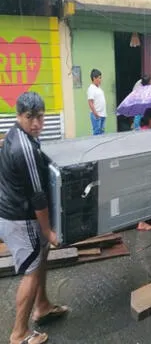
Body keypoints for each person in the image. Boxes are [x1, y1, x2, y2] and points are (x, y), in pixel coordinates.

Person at [0, 92, 69, 344]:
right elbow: (38, 197)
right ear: (19, 116)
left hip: (13, 212)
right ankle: (19, 333)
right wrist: (49, 231)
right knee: (31, 271)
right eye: (30, 118)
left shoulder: (16, 134)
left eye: (40, 117)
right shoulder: (24, 146)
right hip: (20, 218)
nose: (37, 123)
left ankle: (42, 306)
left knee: (39, 260)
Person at [87, 69, 107, 135]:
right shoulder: (91, 88)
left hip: (102, 114)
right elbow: (90, 102)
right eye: (99, 78)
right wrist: (96, 114)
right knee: (97, 134)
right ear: (94, 78)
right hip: (97, 115)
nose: (101, 80)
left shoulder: (98, 88)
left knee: (102, 133)